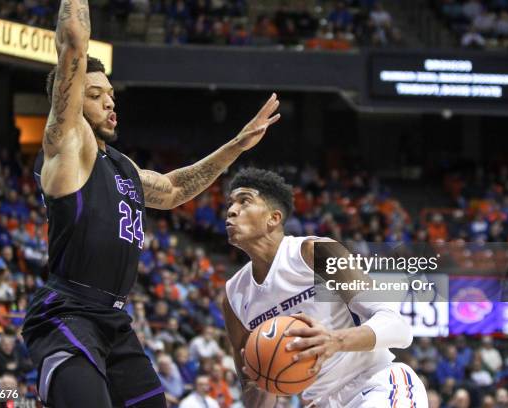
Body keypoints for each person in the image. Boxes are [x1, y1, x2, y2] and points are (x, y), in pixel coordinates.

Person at [21, 1, 281, 407]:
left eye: (110, 94)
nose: (110, 102)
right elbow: (73, 41)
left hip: (114, 321)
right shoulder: (67, 145)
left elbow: (176, 189)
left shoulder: (123, 167)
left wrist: (236, 145)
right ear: (71, 101)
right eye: (94, 95)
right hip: (69, 312)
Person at [221, 168, 428, 407]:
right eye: (230, 203)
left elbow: (399, 328)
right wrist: (262, 379)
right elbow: (254, 393)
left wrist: (334, 340)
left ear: (273, 218)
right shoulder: (233, 296)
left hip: (375, 385)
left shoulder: (313, 253)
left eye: (244, 201)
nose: (231, 210)